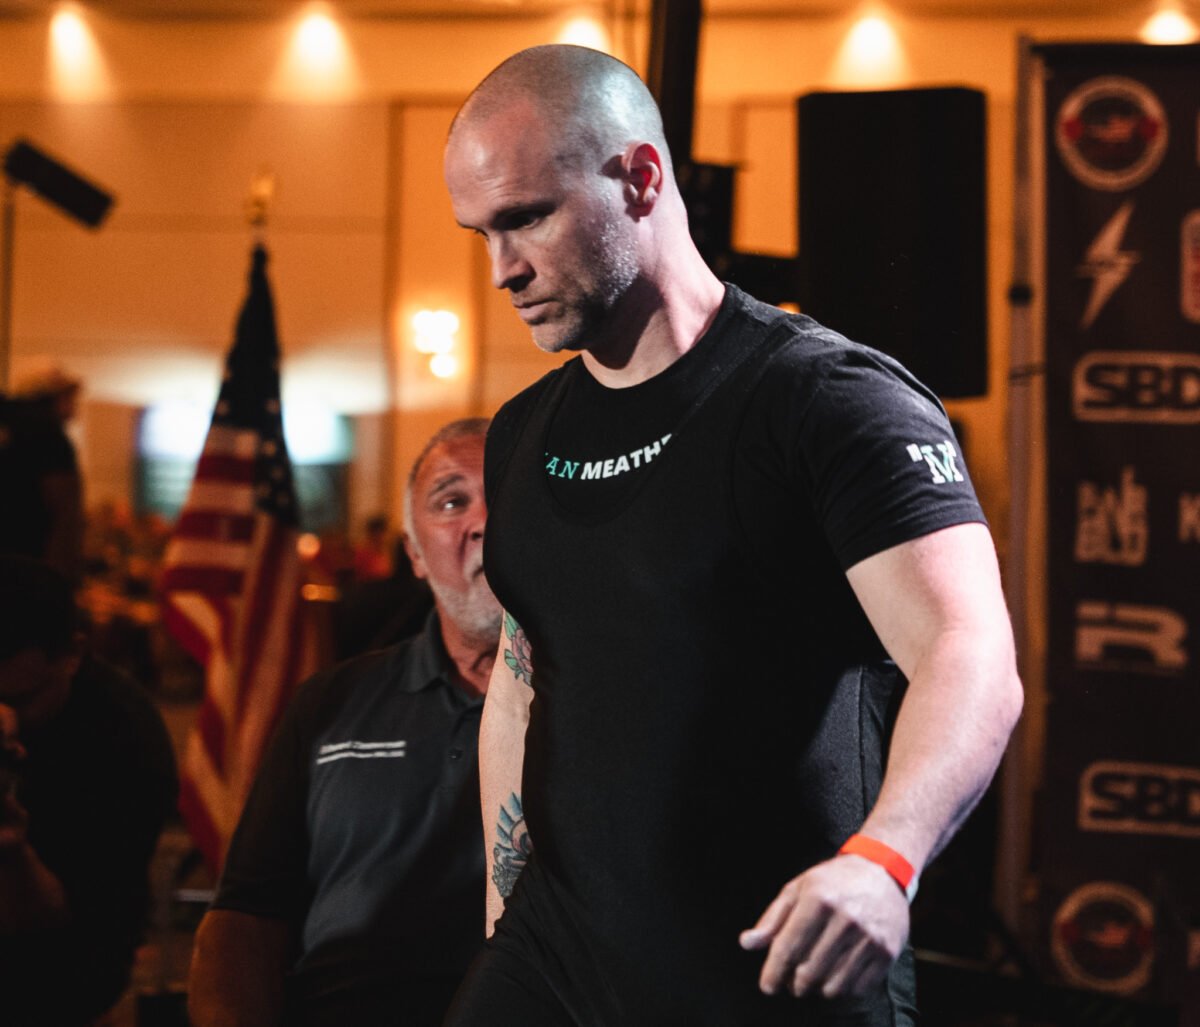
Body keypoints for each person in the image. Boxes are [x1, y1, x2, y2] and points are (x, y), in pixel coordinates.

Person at [441, 44, 1024, 1026]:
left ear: (641, 177)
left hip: (772, 966)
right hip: (560, 958)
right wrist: (509, 910)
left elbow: (969, 655)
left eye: (526, 219)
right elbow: (524, 671)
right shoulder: (525, 434)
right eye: (481, 232)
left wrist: (884, 863)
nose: (501, 269)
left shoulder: (826, 402)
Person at [188, 418, 501, 1027]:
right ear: (413, 553)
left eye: (509, 495)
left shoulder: (607, 703)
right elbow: (244, 917)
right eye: (452, 500)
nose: (484, 522)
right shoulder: (330, 703)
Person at [0, 555, 178, 1026]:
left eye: (20, 700)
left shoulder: (122, 740)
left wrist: (12, 848)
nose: (4, 717)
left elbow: (68, 920)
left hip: (63, 963)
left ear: (73, 654)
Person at [0, 362, 85, 583]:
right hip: (27, 564)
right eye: (69, 396)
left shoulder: (10, 424)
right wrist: (58, 579)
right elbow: (65, 511)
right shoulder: (49, 434)